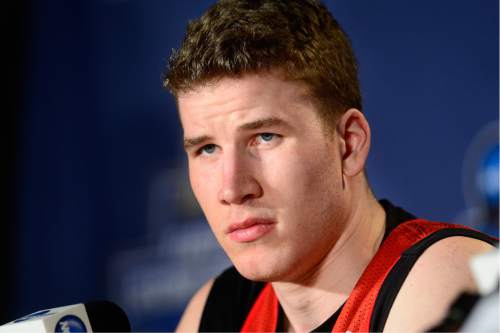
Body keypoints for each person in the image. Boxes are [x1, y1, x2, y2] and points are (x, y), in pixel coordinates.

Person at [163, 0, 496, 331]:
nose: (232, 189)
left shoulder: (446, 281)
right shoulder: (219, 311)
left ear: (349, 145)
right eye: (208, 149)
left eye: (265, 137)